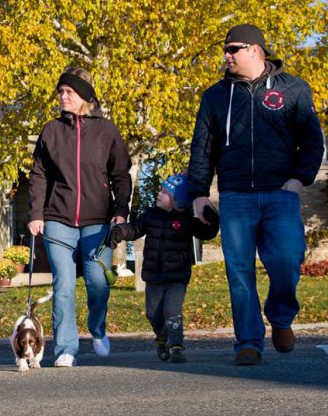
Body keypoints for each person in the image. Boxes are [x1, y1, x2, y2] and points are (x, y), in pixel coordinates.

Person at [187, 24, 325, 365]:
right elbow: (202, 149)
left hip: (281, 194)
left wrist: (298, 180)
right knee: (239, 271)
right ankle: (248, 341)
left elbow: (312, 141)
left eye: (234, 48)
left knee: (287, 260)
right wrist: (199, 194)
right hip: (235, 197)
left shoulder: (293, 89)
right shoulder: (215, 96)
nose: (227, 55)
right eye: (226, 49)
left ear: (255, 51)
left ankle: (280, 317)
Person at [28, 67, 132, 367]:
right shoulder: (51, 131)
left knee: (98, 282)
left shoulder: (106, 131)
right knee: (63, 286)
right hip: (57, 220)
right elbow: (38, 175)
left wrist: (121, 210)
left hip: (98, 220)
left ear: (84, 96)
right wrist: (36, 213)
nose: (62, 96)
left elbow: (121, 176)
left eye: (69, 92)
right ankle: (66, 349)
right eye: (60, 92)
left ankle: (97, 328)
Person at [109, 173, 220, 363]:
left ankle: (177, 346)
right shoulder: (150, 216)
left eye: (165, 192)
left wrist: (213, 220)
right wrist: (121, 231)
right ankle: (161, 338)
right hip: (153, 277)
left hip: (176, 278)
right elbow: (135, 229)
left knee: (172, 312)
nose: (159, 194)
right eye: (160, 190)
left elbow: (206, 232)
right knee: (153, 314)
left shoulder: (186, 220)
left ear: (178, 200)